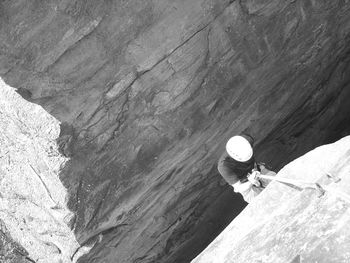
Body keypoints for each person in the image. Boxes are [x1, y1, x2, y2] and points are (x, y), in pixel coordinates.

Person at [217, 134, 276, 203]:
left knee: (277, 182)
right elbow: (239, 188)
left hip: (257, 170)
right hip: (246, 186)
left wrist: (257, 173)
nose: (247, 160)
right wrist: (251, 181)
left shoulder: (245, 141)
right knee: (260, 203)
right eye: (245, 159)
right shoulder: (224, 167)